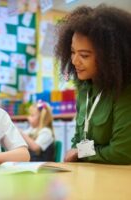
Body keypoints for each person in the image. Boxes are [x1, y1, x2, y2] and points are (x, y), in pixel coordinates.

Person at [54, 4, 131, 164]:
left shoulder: (124, 91)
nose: (74, 61)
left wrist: (80, 153)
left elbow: (122, 151)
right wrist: (78, 152)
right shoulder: (84, 88)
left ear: (110, 57)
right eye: (73, 52)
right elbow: (78, 139)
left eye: (84, 55)